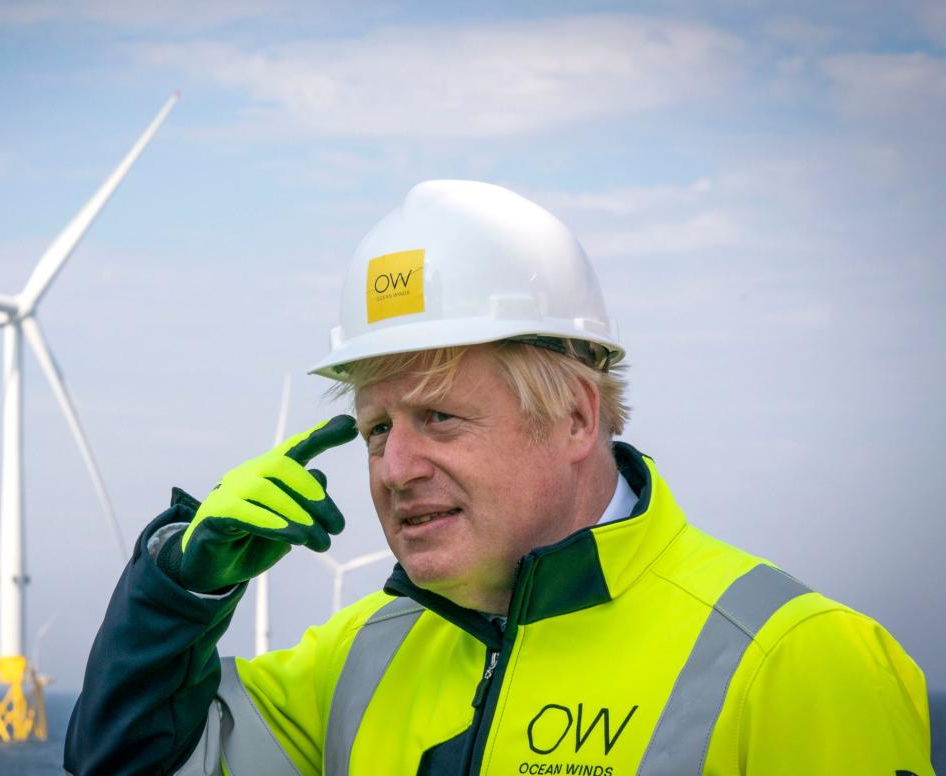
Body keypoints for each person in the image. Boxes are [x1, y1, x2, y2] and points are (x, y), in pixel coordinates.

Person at [63, 180, 934, 775]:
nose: (395, 468)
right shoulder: (356, 661)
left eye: (439, 417)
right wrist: (174, 590)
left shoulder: (790, 656)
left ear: (575, 418)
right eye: (373, 430)